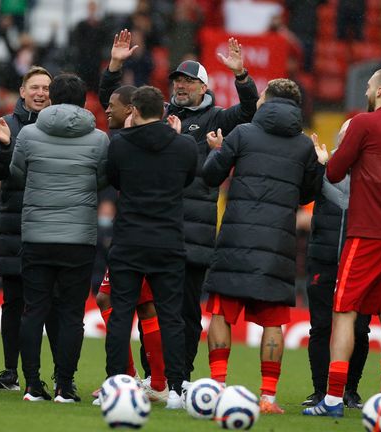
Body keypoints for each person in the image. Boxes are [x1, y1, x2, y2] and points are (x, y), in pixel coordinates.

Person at [100, 29, 258, 381]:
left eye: (188, 81)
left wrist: (241, 75)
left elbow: (250, 110)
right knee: (148, 308)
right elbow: (113, 103)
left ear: (204, 88)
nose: (181, 86)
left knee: (183, 313)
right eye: (177, 80)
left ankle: (181, 377)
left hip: (194, 232)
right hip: (159, 225)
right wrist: (114, 67)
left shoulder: (218, 118)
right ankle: (152, 376)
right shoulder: (158, 113)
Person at [303, 68, 381, 417]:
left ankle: (333, 400)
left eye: (370, 86)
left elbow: (336, 172)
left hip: (366, 232)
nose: (367, 90)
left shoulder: (363, 123)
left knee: (343, 312)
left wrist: (327, 160)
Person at [202, 79, 322, 414]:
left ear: (266, 99)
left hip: (237, 238)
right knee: (273, 322)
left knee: (221, 313)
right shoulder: (302, 146)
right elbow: (307, 195)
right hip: (277, 243)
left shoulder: (242, 133)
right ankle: (268, 397)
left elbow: (211, 176)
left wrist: (215, 150)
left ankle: (216, 387)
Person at [6, 73, 109, 403]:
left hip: (37, 234)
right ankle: (65, 385)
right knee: (71, 315)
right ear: (84, 101)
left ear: (51, 97)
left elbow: (17, 175)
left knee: (33, 310)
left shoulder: (30, 135)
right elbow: (103, 179)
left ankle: (32, 385)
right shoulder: (99, 140)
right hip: (79, 237)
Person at [105, 85, 197, 409]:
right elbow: (187, 180)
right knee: (172, 317)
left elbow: (114, 181)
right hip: (168, 242)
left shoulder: (119, 146)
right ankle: (174, 389)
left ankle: (115, 385)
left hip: (129, 240)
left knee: (121, 316)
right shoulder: (185, 147)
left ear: (134, 111)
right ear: (163, 111)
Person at [93, 83, 167, 403]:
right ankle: (139, 379)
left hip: (144, 236)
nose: (107, 109)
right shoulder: (125, 139)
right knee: (115, 301)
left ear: (131, 111)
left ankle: (152, 382)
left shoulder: (137, 142)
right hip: (132, 235)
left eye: (113, 104)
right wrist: (113, 68)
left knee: (121, 302)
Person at [0, 66, 52, 391]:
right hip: (14, 226)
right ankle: (10, 370)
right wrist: (3, 146)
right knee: (13, 303)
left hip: (50, 225)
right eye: (35, 87)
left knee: (48, 304)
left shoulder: (59, 128)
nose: (41, 93)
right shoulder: (4, 125)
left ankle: (52, 374)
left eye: (46, 88)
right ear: (22, 91)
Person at [303, 119, 371, 409]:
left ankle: (350, 390)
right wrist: (316, 166)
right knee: (320, 326)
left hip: (360, 259)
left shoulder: (370, 171)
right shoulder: (324, 165)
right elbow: (303, 193)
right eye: (345, 136)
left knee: (360, 328)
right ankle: (320, 390)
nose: (348, 141)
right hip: (324, 257)